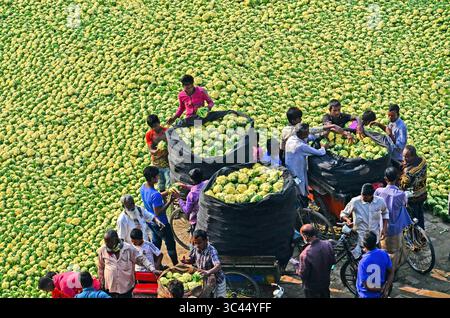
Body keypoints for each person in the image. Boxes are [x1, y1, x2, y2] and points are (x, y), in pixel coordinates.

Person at [97, 229, 160, 298]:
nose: (107, 245)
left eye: (109, 243)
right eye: (106, 243)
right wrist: (102, 282)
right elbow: (101, 267)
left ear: (115, 240)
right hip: (110, 287)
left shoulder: (128, 249)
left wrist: (152, 269)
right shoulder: (102, 250)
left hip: (126, 288)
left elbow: (142, 259)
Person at [374, 167, 413, 271]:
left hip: (382, 227)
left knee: (384, 250)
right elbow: (405, 204)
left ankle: (386, 269)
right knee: (394, 252)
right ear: (397, 178)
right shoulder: (401, 194)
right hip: (395, 228)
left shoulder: (378, 192)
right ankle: (391, 273)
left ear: (385, 179)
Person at [141, 166, 179, 265]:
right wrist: (170, 201)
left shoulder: (143, 186)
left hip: (151, 222)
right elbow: (158, 212)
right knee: (170, 244)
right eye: (157, 176)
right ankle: (175, 264)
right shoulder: (155, 195)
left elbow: (155, 197)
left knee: (156, 243)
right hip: (161, 223)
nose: (158, 177)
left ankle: (156, 264)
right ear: (153, 178)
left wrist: (167, 192)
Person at [285, 123, 327, 208]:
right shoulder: (300, 146)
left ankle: (301, 201)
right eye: (307, 132)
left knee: (296, 185)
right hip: (296, 171)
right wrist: (323, 147)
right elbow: (319, 153)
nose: (308, 133)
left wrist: (320, 135)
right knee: (299, 185)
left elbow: (309, 137)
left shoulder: (292, 138)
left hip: (291, 167)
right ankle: (302, 205)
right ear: (301, 134)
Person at [340, 183, 389, 248]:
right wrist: (347, 220)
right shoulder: (355, 201)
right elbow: (343, 214)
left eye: (366, 197)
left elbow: (385, 213)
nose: (363, 198)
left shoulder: (380, 201)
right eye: (362, 195)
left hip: (375, 239)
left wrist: (384, 228)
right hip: (360, 240)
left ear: (372, 195)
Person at [181, 230, 226, 298]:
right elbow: (192, 260)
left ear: (206, 241)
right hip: (204, 280)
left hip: (217, 279)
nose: (197, 245)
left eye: (199, 243)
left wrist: (208, 272)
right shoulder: (196, 248)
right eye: (195, 243)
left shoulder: (211, 250)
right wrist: (186, 261)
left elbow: (218, 265)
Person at [297, 224, 336, 298]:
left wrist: (297, 270)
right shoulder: (328, 244)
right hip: (325, 283)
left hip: (312, 288)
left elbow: (303, 275)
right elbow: (333, 262)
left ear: (305, 237)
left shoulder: (305, 254)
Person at [356, 232, 394, 298]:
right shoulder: (384, 253)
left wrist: (381, 289)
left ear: (364, 245)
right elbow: (391, 272)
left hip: (366, 295)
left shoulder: (363, 262)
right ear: (375, 242)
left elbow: (367, 286)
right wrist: (386, 288)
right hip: (381, 294)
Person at [172, 168, 208, 238]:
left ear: (191, 180)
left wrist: (179, 198)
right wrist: (186, 186)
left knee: (195, 241)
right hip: (207, 214)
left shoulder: (191, 195)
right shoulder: (206, 183)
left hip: (197, 220)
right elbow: (198, 187)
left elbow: (187, 211)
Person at [399, 145, 427, 229]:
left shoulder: (409, 172)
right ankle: (422, 232)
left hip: (413, 198)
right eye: (403, 156)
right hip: (422, 193)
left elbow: (403, 185)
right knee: (420, 214)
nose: (404, 159)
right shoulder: (423, 161)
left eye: (407, 157)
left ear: (413, 156)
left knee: (414, 218)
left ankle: (417, 237)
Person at [145, 114, 171, 192]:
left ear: (159, 122)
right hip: (157, 162)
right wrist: (155, 151)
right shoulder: (149, 135)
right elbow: (150, 149)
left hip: (167, 161)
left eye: (156, 125)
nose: (155, 128)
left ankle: (171, 198)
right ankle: (163, 197)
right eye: (153, 127)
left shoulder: (166, 131)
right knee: (160, 182)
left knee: (169, 182)